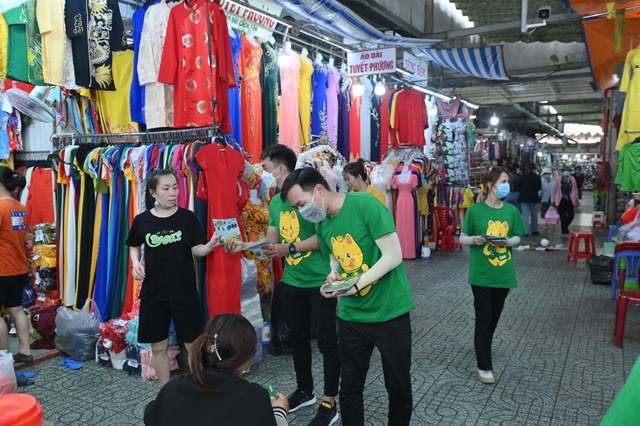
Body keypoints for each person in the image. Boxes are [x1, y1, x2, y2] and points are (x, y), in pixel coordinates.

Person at [281, 168, 415, 426]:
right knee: (350, 389)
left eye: (301, 204)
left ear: (319, 190)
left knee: (398, 387)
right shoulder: (322, 222)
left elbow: (393, 256)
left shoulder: (366, 205)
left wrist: (354, 285)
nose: (301, 212)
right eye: (296, 208)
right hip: (351, 317)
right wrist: (333, 276)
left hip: (390, 313)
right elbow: (334, 256)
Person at [227, 144, 340, 426]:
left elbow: (324, 238)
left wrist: (289, 249)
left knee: (327, 341)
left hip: (321, 280)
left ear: (280, 168)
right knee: (297, 338)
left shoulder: (311, 197)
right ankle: (305, 391)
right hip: (292, 282)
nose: (261, 173)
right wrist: (246, 246)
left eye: (265, 168)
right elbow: (271, 240)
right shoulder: (277, 202)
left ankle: (330, 401)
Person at [126, 169, 221, 386]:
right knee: (158, 346)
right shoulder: (142, 221)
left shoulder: (187, 218)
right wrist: (136, 263)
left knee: (193, 345)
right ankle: (166, 391)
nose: (173, 193)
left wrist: (210, 245)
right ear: (153, 192)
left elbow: (197, 250)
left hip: (184, 291)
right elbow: (134, 245)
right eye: (166, 188)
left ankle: (201, 389)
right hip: (154, 293)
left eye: (175, 187)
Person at [144, 313, 290, 425]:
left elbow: (151, 415)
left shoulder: (173, 388)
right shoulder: (255, 398)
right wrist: (279, 411)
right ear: (245, 361)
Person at [459, 167, 527, 384]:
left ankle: (483, 345)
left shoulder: (511, 211)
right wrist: (474, 240)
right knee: (484, 317)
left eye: (507, 182)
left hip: (503, 275)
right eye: (503, 181)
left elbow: (518, 237)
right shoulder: (475, 211)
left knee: (494, 317)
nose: (507, 186)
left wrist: (508, 242)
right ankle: (484, 365)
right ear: (490, 185)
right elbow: (462, 237)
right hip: (481, 275)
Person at [0, 166, 33, 364]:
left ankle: (2, 360)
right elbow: (26, 238)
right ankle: (25, 352)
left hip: (2, 268)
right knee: (17, 309)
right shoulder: (20, 207)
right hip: (19, 267)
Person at [552, 166, 579, 235]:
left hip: (570, 200)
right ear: (562, 171)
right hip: (560, 200)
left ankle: (564, 226)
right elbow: (555, 190)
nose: (566, 171)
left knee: (571, 215)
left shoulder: (572, 179)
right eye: (565, 170)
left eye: (568, 170)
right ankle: (564, 231)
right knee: (562, 216)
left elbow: (575, 189)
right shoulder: (558, 179)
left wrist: (576, 199)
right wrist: (553, 199)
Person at [518, 163, 542, 236]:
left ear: (528, 169)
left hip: (524, 197)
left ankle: (525, 231)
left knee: (525, 215)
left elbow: (519, 186)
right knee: (534, 214)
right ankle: (535, 230)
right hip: (534, 197)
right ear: (535, 169)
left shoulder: (523, 176)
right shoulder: (537, 177)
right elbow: (539, 187)